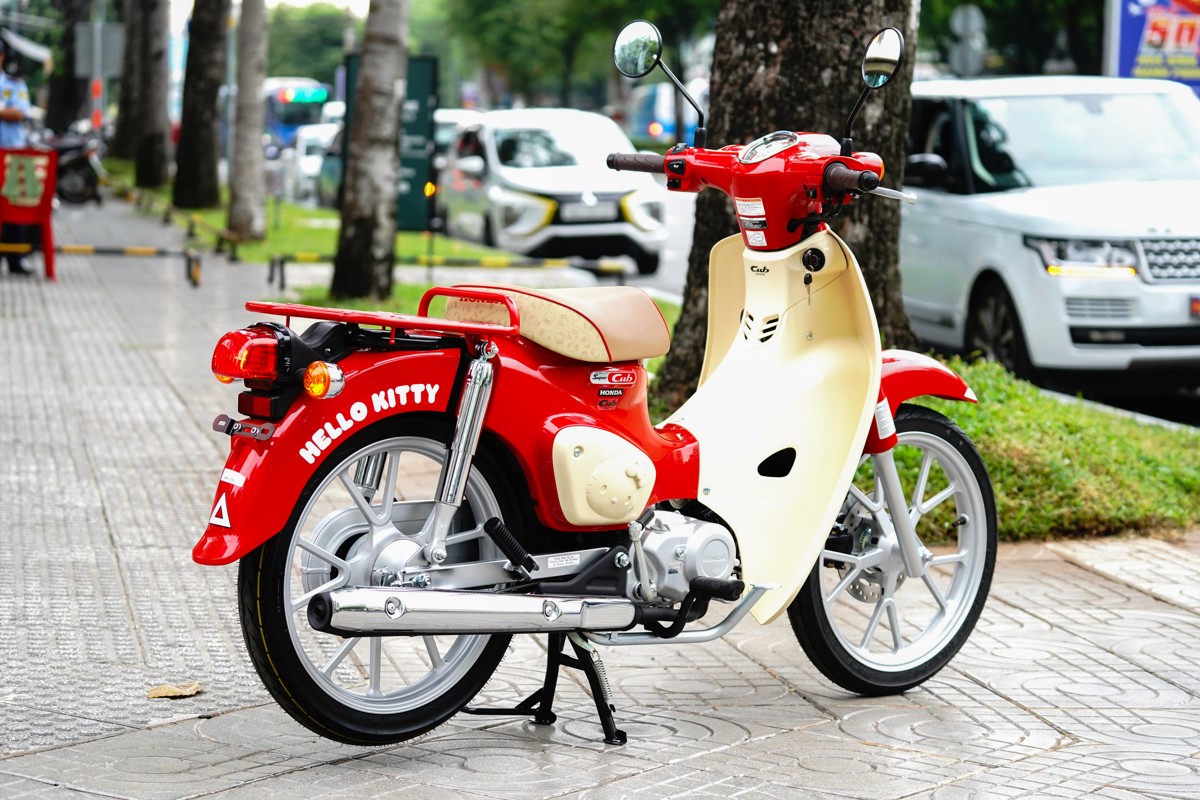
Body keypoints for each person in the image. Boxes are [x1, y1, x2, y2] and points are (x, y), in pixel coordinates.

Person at [0, 39, 32, 275]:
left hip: (11, 155)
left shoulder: (12, 84)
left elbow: (18, 112)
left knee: (14, 207)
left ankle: (16, 259)